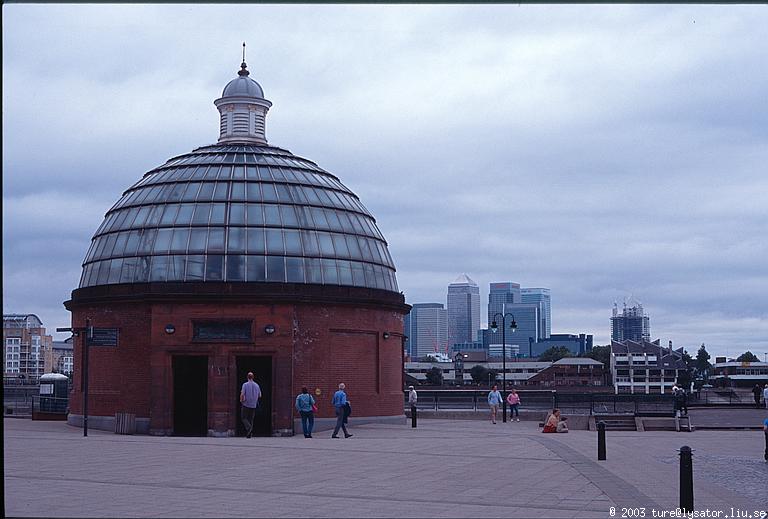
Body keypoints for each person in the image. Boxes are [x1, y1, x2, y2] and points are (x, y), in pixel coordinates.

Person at [240, 372, 261, 438]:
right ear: (253, 377)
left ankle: (249, 428)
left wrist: (241, 400)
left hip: (246, 404)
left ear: (247, 377)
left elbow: (242, 394)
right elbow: (260, 395)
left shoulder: (245, 385)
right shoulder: (257, 385)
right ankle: (249, 434)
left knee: (244, 418)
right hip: (253, 405)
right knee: (251, 419)